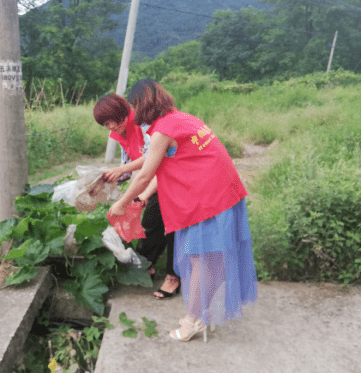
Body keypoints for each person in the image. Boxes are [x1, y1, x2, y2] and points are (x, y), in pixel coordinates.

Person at [109, 79, 258, 342]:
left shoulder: (163, 129)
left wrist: (121, 204)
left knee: (201, 259)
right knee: (202, 258)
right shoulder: (179, 119)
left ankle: (193, 320)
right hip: (221, 192)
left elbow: (146, 176)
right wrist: (122, 169)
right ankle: (200, 313)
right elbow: (154, 155)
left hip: (211, 198)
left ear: (142, 105)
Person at [94, 93, 180, 299]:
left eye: (114, 120)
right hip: (152, 177)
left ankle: (173, 276)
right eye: (105, 123)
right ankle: (145, 264)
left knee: (173, 226)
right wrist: (105, 179)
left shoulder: (144, 124)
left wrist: (138, 193)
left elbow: (155, 158)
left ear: (126, 113)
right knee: (150, 221)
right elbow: (130, 165)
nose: (111, 127)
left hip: (173, 175)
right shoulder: (120, 133)